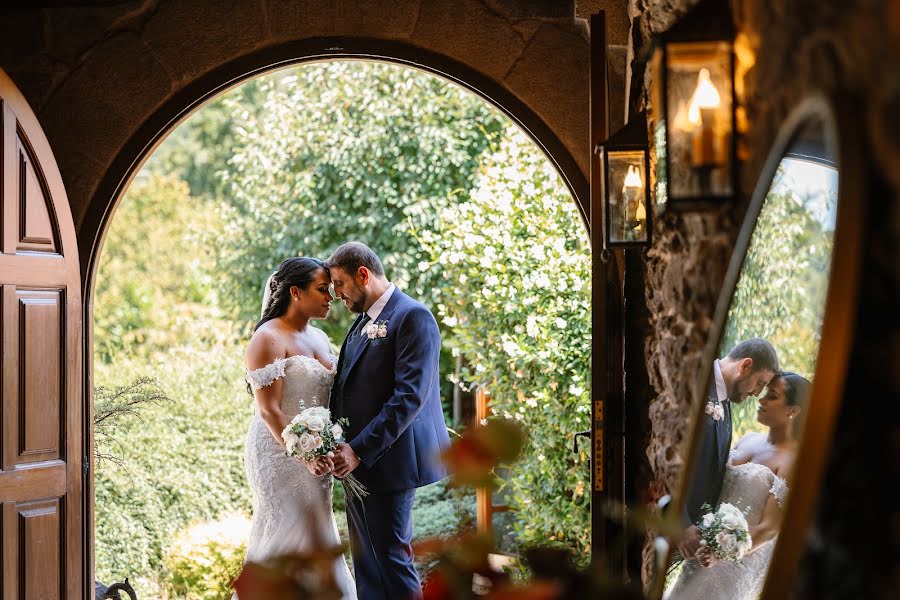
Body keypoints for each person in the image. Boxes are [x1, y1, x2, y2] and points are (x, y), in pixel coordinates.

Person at [326, 242, 451, 600]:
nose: (336, 295)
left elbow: (409, 398)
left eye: (339, 284)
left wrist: (358, 451)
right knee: (367, 566)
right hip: (355, 465)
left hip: (387, 461)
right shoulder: (360, 323)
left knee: (393, 563)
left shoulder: (413, 317)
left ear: (362, 275)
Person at [238, 257, 357, 599]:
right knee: (286, 536)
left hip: (316, 456)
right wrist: (303, 454)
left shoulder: (320, 338)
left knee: (318, 534)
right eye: (322, 289)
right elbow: (268, 409)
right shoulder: (268, 337)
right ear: (295, 292)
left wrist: (328, 445)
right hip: (278, 454)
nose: (330, 296)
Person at [666, 371, 811, 599]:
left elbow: (768, 529)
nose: (760, 399)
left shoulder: (792, 462)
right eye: (763, 392)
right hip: (703, 549)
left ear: (792, 411)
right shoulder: (747, 440)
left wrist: (721, 552)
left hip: (734, 563)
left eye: (772, 395)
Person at [678, 338, 780, 560]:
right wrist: (681, 525)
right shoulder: (695, 382)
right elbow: (665, 458)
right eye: (760, 383)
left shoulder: (726, 402)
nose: (756, 393)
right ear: (745, 366)